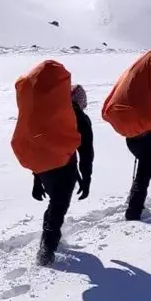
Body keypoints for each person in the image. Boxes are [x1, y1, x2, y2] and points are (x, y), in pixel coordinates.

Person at [32, 85, 94, 264]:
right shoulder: (80, 118)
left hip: (44, 169)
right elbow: (86, 153)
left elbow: (38, 147)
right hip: (64, 168)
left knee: (54, 205)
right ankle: (46, 253)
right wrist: (87, 179)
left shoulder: (50, 115)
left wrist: (37, 179)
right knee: (58, 208)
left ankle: (47, 241)